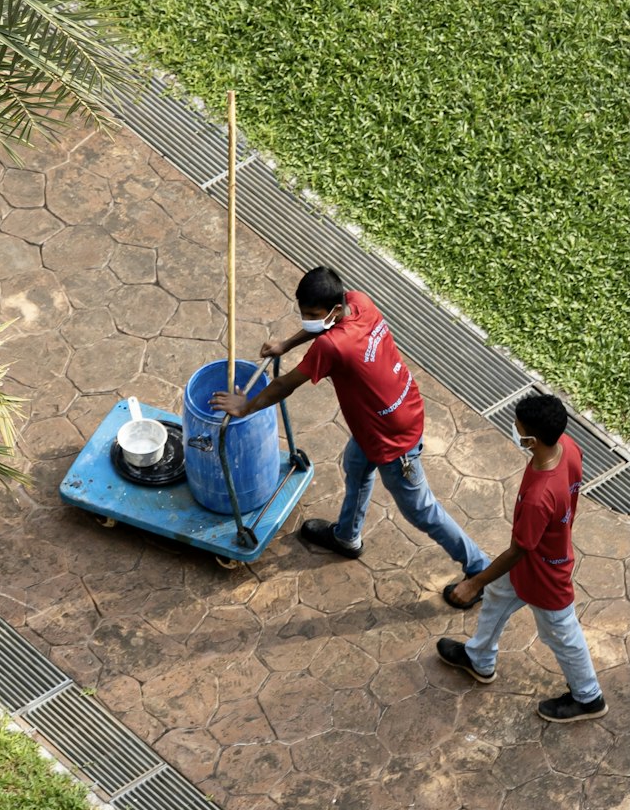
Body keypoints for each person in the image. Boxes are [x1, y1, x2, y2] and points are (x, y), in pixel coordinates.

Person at [212, 265, 489, 601]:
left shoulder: (333, 347)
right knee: (356, 466)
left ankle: (479, 569)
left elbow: (286, 384)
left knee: (421, 510)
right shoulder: (360, 302)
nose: (308, 320)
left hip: (392, 439)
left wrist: (246, 406)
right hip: (388, 414)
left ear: (335, 310)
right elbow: (320, 330)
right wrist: (286, 344)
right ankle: (346, 537)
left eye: (313, 314)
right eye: (303, 313)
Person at [436, 391, 607, 722]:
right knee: (499, 595)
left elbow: (519, 549)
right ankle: (479, 658)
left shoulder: (539, 497)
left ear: (533, 440)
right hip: (536, 557)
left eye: (518, 427)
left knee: (560, 633)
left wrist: (475, 583)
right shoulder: (568, 447)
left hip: (545, 571)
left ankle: (589, 697)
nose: (514, 429)